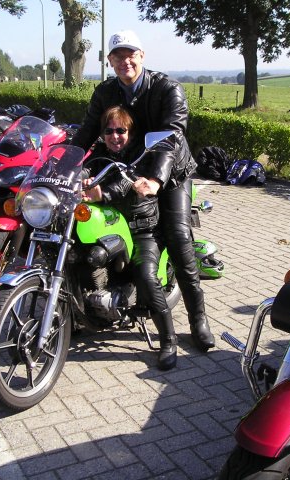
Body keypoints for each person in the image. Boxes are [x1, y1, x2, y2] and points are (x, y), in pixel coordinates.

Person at [72, 30, 215, 355]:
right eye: (117, 56)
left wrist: (156, 179)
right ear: (110, 61)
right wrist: (62, 163)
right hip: (130, 170)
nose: (125, 61)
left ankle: (198, 319)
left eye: (130, 54)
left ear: (142, 56)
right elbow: (88, 130)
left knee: (178, 239)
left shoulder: (167, 89)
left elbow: (171, 137)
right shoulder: (106, 91)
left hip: (171, 175)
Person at [83, 106, 177, 370]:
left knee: (145, 276)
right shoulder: (100, 153)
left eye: (120, 130)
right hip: (112, 225)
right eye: (109, 131)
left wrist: (102, 193)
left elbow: (127, 181)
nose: (115, 136)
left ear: (130, 133)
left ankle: (168, 340)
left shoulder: (141, 155)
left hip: (143, 228)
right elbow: (83, 169)